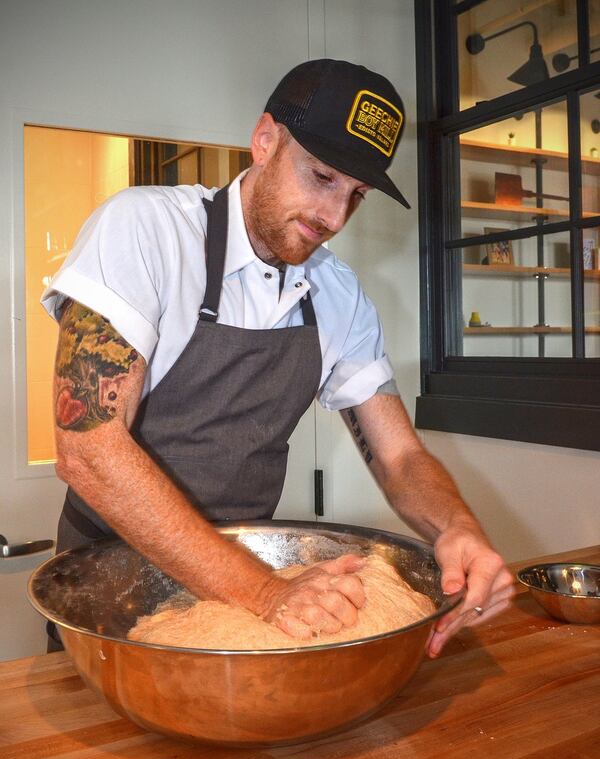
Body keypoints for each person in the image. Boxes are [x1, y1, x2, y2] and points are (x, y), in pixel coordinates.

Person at [42, 59, 514, 657]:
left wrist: (458, 530)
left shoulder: (337, 294)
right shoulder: (147, 231)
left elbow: (398, 456)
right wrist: (265, 593)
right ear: (265, 140)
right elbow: (89, 450)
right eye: (321, 177)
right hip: (110, 594)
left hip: (243, 595)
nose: (334, 218)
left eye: (356, 195)